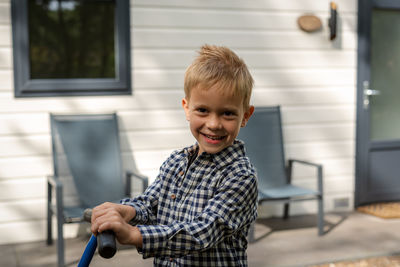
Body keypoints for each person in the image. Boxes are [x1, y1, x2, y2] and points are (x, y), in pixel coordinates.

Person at [91, 44, 258, 266]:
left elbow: (203, 232)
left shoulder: (240, 177)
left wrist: (134, 235)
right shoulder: (176, 162)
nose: (213, 124)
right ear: (187, 108)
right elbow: (152, 204)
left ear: (245, 116)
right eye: (203, 110)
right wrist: (127, 210)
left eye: (227, 113)